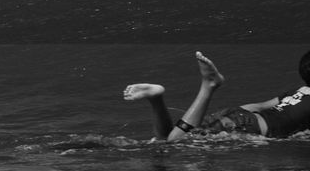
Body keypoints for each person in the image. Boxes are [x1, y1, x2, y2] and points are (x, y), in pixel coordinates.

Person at [124, 50, 310, 141]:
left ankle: (156, 98)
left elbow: (261, 106)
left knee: (165, 139)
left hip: (240, 116)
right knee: (175, 142)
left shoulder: (299, 90)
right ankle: (209, 86)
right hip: (246, 126)